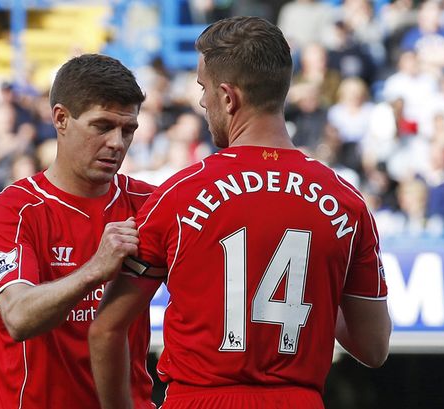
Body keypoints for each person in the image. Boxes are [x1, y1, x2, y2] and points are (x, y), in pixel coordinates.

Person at [89, 16, 391, 409]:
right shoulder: (347, 203)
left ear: (228, 97)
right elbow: (373, 347)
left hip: (200, 400)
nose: (201, 101)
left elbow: (106, 330)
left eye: (203, 88)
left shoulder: (179, 196)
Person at [0, 54, 155, 409]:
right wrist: (95, 269)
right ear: (61, 118)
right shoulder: (12, 210)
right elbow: (17, 316)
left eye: (128, 130)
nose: (117, 143)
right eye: (102, 126)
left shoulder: (151, 205)